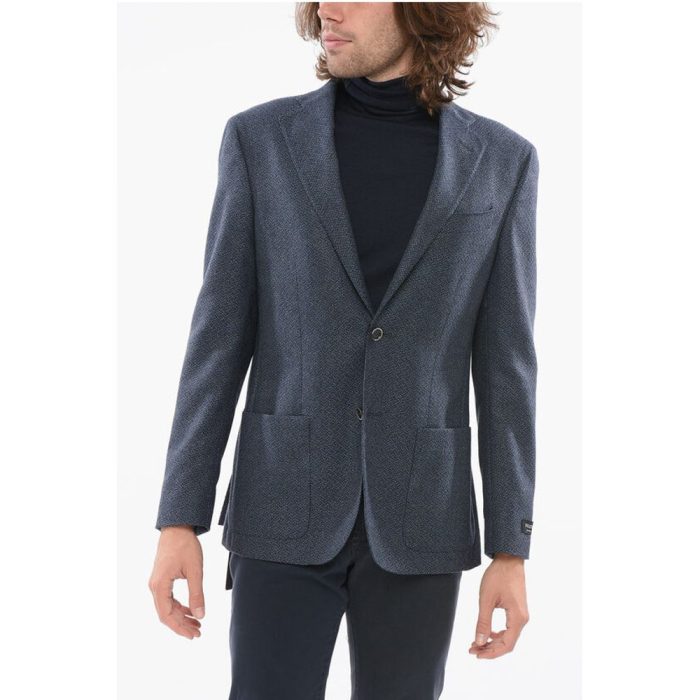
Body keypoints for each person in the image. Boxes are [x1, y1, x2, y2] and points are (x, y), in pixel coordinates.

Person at [148, 3, 539, 698]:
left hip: (422, 516)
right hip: (281, 502)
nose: (327, 7)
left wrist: (511, 548)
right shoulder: (261, 141)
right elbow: (217, 339)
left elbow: (507, 366)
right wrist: (180, 517)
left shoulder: (502, 162)